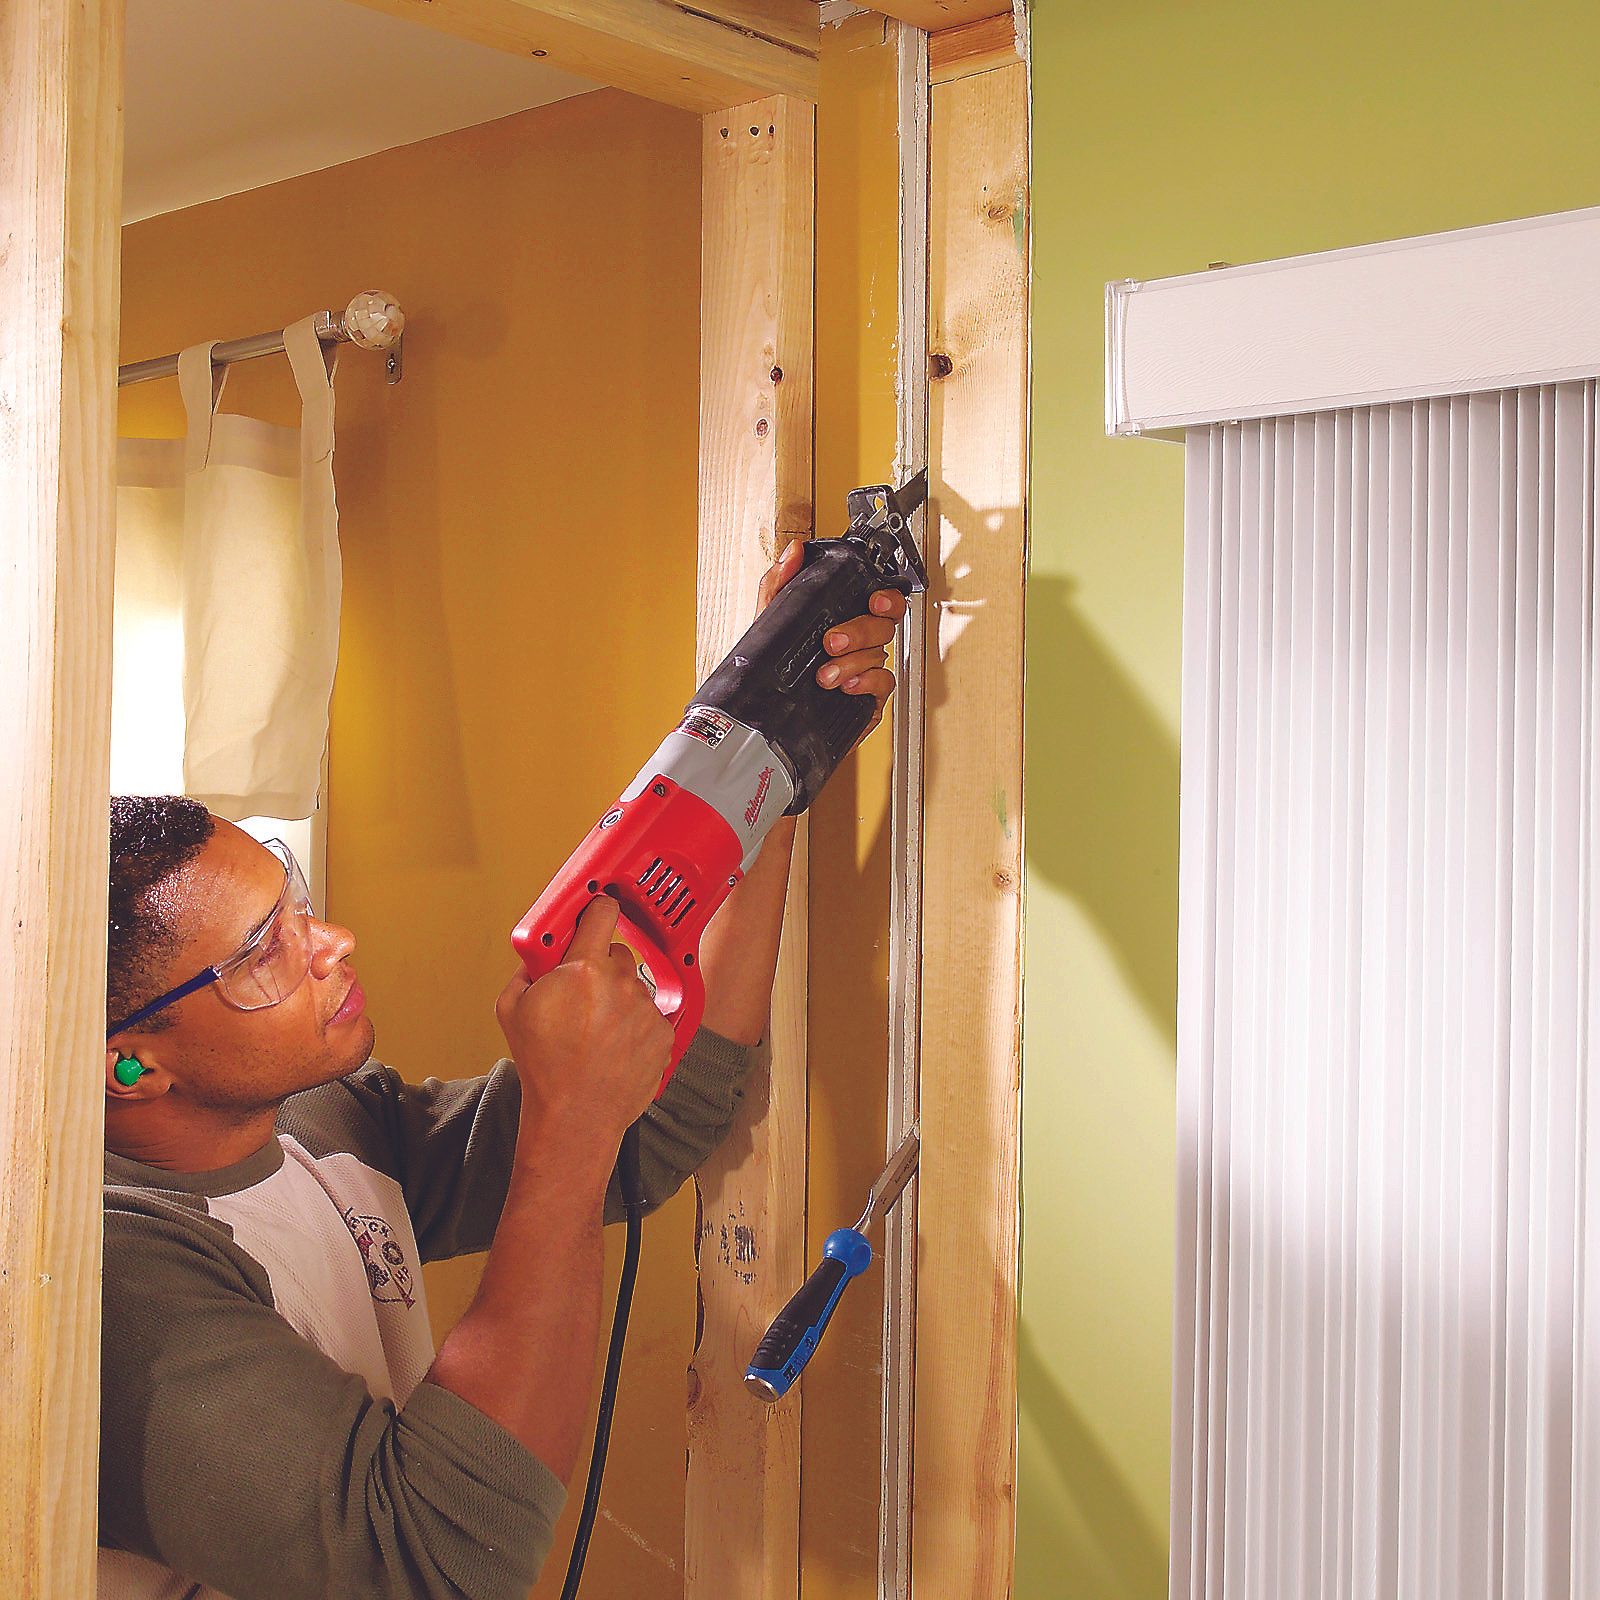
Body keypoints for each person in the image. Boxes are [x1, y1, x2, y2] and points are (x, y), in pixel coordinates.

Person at [97, 546, 908, 1600]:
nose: (331, 941)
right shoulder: (119, 1279)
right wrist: (571, 1120)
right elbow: (430, 1560)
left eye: (292, 902)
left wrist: (772, 770)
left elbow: (652, 1131)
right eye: (261, 954)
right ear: (130, 1066)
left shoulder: (317, 1117)